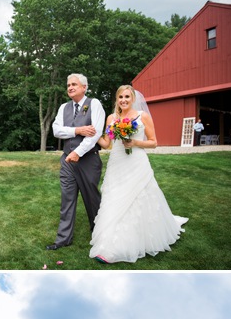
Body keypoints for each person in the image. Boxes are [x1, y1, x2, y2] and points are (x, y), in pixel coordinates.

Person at [90, 84, 187, 264]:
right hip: (117, 162)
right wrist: (93, 134)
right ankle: (107, 244)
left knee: (138, 198)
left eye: (127, 97)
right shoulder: (112, 118)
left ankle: (130, 242)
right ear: (117, 99)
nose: (124, 100)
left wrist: (134, 142)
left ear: (133, 99)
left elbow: (154, 142)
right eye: (120, 97)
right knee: (114, 198)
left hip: (136, 162)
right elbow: (107, 144)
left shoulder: (143, 117)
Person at [48, 73, 106, 250]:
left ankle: (100, 235)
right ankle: (63, 239)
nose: (70, 87)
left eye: (74, 84)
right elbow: (56, 131)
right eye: (68, 85)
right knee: (67, 200)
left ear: (84, 87)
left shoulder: (94, 104)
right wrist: (77, 130)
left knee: (92, 199)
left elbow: (95, 133)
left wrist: (78, 153)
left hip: (88, 160)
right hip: (67, 161)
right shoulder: (63, 107)